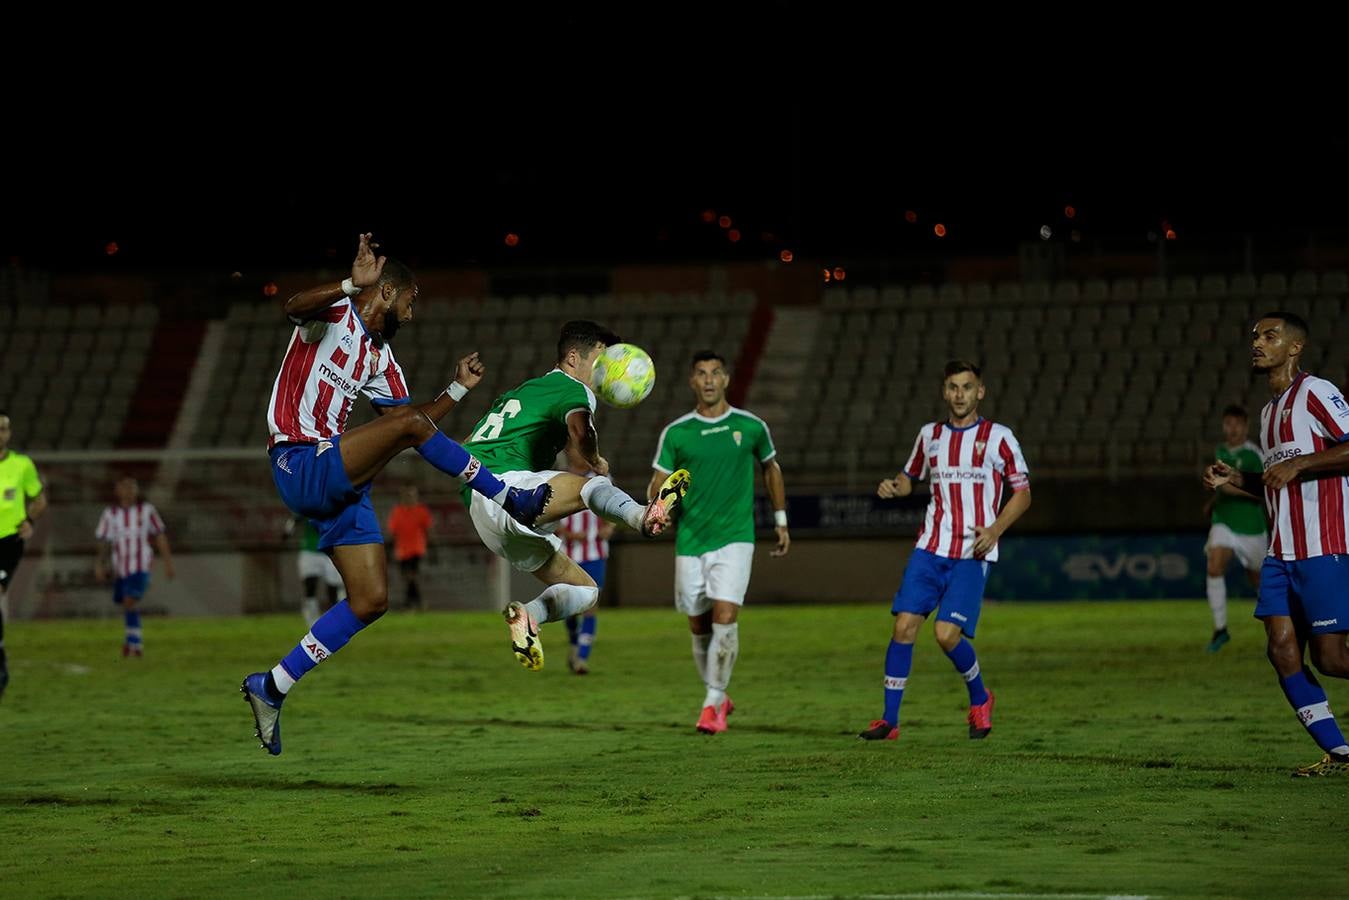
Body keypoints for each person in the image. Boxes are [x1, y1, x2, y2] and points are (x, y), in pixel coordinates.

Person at [241, 233, 550, 756]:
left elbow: (416, 426)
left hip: (338, 477)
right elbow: (292, 306)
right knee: (406, 425)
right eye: (411, 299)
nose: (413, 311)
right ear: (387, 290)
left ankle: (271, 687)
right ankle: (507, 497)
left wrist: (456, 391)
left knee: (371, 600)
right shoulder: (332, 314)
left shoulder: (381, 360)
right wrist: (346, 284)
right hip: (299, 459)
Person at [462, 320, 690, 672]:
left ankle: (528, 615)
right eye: (602, 359)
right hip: (504, 484)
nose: (608, 370)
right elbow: (580, 430)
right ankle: (642, 516)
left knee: (586, 592)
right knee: (590, 484)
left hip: (483, 510)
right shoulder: (571, 387)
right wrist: (595, 460)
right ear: (572, 358)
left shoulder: (529, 390)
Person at [1205, 311, 1349, 776]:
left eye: (1270, 336)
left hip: (1323, 545)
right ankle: (1341, 753)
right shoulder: (1268, 415)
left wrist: (1302, 463)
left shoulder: (1318, 392)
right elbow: (1274, 480)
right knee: (1282, 649)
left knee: (1330, 659)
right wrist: (1235, 477)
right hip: (1280, 553)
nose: (1257, 343)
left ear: (1295, 347)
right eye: (1254, 336)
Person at [859, 360, 1031, 743]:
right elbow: (909, 478)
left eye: (967, 387)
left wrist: (995, 530)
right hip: (930, 548)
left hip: (972, 552)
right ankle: (889, 721)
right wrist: (894, 487)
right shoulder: (930, 435)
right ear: (944, 391)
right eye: (953, 387)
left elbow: (1023, 493)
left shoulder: (999, 437)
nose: (959, 395)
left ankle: (980, 697)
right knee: (903, 627)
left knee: (945, 634)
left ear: (980, 392)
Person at [648, 350, 789, 734]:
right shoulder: (677, 432)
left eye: (715, 373)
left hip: (735, 537)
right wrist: (659, 508)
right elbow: (658, 482)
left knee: (725, 616)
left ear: (726, 379)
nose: (709, 380)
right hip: (691, 539)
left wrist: (780, 519)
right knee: (699, 624)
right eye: (701, 374)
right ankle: (718, 695)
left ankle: (713, 702)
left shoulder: (751, 426)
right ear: (692, 382)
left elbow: (770, 468)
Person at [1202, 405, 1265, 652]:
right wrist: (1212, 501)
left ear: (1246, 426)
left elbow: (1263, 492)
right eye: (1228, 423)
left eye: (1237, 423)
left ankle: (1278, 624)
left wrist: (1227, 487)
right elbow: (1218, 486)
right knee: (1214, 565)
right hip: (1224, 520)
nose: (1232, 428)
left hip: (1251, 526)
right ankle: (1220, 629)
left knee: (1259, 579)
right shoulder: (1220, 451)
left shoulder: (1254, 455)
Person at [95, 476, 175, 656]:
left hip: (141, 565)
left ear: (137, 491)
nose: (130, 491)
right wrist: (99, 564)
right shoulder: (110, 514)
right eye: (125, 487)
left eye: (133, 487)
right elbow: (103, 540)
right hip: (120, 568)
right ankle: (130, 640)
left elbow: (160, 535)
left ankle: (136, 644)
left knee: (130, 601)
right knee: (126, 603)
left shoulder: (147, 511)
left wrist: (168, 563)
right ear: (118, 491)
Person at [0, 412, 47, 701]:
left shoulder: (22, 465)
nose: (0, 433)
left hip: (8, 542)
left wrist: (29, 520)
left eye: (4, 428)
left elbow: (39, 499)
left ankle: (0, 666)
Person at [556, 466, 614, 674]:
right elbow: (547, 519)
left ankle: (581, 658)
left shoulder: (601, 478)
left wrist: (609, 527)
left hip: (595, 553)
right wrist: (566, 533)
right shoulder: (558, 477)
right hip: (567, 555)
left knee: (590, 604)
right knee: (571, 608)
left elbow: (612, 508)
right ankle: (574, 641)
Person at [285, 516, 343, 627]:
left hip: (330, 551)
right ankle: (311, 620)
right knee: (310, 585)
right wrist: (287, 532)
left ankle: (334, 620)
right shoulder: (308, 503)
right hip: (310, 550)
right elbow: (295, 518)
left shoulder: (335, 503)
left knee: (332, 589)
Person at [387, 486, 432, 610]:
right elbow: (393, 531)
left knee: (411, 575)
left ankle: (410, 603)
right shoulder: (398, 511)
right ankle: (416, 602)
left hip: (416, 548)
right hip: (402, 549)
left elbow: (427, 529)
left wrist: (429, 546)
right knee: (407, 577)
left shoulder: (421, 510)